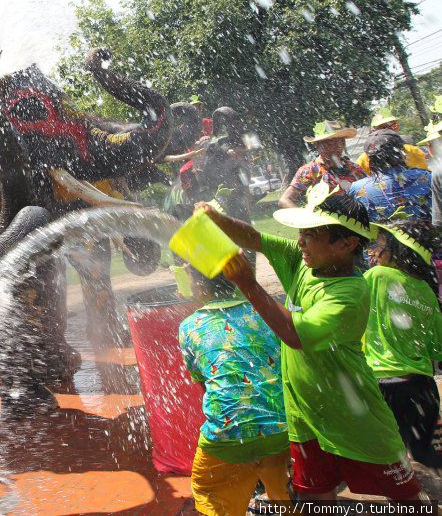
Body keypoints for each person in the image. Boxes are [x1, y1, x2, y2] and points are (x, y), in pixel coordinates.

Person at [200, 183, 424, 502]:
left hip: (355, 418)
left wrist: (248, 284)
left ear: (345, 244)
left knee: (408, 501)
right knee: (315, 499)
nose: (300, 241)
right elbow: (254, 237)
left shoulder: (349, 294)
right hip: (305, 417)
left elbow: (293, 335)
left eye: (311, 234)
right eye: (301, 232)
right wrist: (217, 220)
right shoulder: (304, 262)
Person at [178, 267, 289, 515]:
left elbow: (205, 384)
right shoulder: (265, 312)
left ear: (197, 285)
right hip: (282, 426)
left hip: (228, 435)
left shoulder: (189, 326)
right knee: (287, 497)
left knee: (209, 491)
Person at [364, 218, 442, 469]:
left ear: (398, 250)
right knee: (428, 457)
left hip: (382, 384)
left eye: (381, 244)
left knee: (392, 463)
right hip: (421, 386)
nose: (374, 251)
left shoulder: (376, 276)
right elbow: (437, 347)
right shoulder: (426, 290)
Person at [348, 128, 432, 223]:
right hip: (427, 235)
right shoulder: (426, 177)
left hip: (382, 237)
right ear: (402, 152)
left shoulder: (357, 189)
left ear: (369, 159)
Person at [278, 120, 365, 208]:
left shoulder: (354, 168)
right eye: (326, 144)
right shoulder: (310, 170)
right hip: (325, 219)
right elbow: (285, 200)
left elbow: (369, 192)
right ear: (317, 146)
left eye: (336, 143)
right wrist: (306, 218)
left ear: (342, 143)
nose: (332, 148)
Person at [356, 109, 427, 174]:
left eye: (394, 126)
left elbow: (425, 178)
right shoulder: (364, 160)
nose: (389, 130)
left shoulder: (413, 151)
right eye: (383, 127)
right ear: (373, 132)